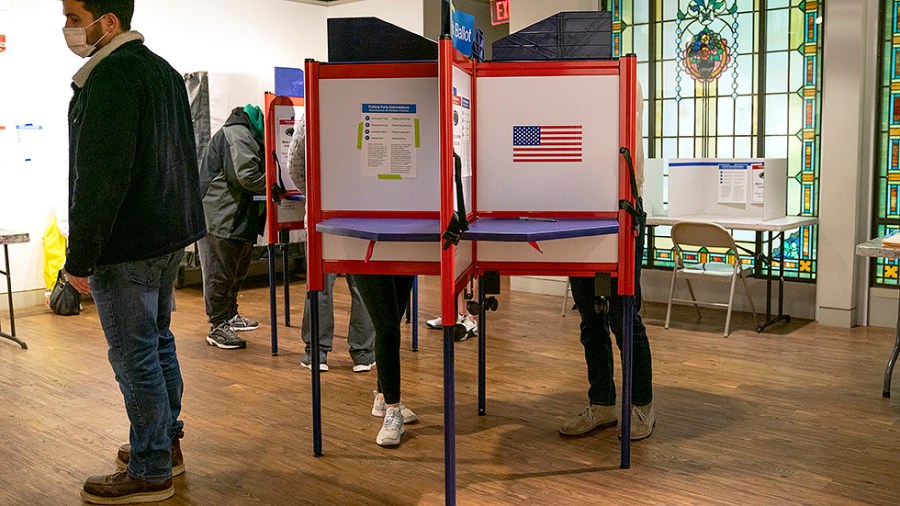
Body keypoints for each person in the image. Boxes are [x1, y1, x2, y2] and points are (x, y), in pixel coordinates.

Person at [62, 0, 206, 503]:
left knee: (133, 352)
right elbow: (182, 159)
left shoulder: (111, 79)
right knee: (156, 341)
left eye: (74, 19)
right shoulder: (162, 71)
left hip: (126, 246)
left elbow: (101, 178)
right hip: (165, 237)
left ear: (108, 23)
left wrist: (79, 257)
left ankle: (150, 468)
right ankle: (164, 444)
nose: (67, 29)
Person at [559, 82, 655, 441]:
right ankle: (602, 405)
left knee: (624, 318)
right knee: (589, 320)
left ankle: (642, 407)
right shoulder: (570, 91)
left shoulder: (621, 80)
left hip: (622, 210)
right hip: (579, 211)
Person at [286, 118, 377, 372]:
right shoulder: (366, 105)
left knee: (319, 286)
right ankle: (363, 353)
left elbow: (295, 164)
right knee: (362, 286)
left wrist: (315, 195)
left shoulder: (313, 109)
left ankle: (316, 353)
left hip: (321, 213)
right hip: (361, 212)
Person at [197, 104, 268, 350]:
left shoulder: (244, 133)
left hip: (234, 216)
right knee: (220, 273)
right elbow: (245, 175)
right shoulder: (238, 133)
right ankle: (217, 326)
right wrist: (275, 184)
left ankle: (229, 316)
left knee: (235, 270)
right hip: (221, 217)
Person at [352, 274, 418, 446]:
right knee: (387, 326)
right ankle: (392, 409)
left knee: (392, 321)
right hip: (366, 253)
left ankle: (383, 398)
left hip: (404, 250)